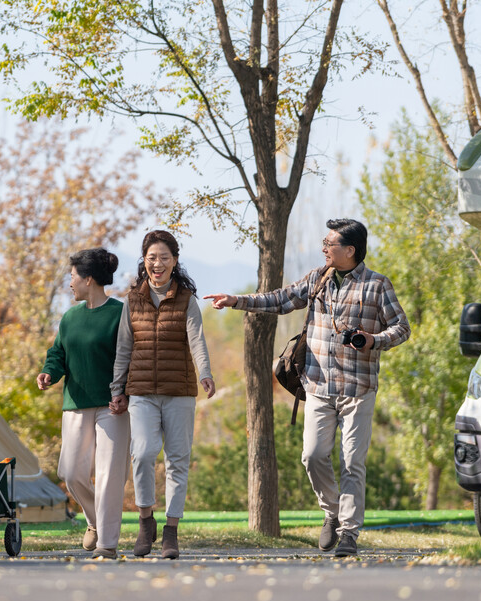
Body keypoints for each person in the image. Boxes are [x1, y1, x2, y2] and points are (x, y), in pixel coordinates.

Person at [204, 218, 410, 557]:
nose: (324, 248)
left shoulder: (377, 285)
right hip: (317, 385)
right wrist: (236, 300)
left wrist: (374, 340)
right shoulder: (318, 278)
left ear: (350, 250)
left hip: (358, 389)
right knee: (312, 455)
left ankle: (349, 535)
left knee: (352, 463)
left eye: (329, 243)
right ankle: (332, 512)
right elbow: (281, 299)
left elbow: (402, 328)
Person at [110, 229, 216, 559]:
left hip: (179, 391)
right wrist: (117, 388)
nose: (158, 264)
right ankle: (146, 522)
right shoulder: (133, 301)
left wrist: (205, 372)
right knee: (142, 453)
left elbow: (197, 340)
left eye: (164, 258)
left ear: (175, 262)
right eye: (152, 258)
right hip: (141, 391)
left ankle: (171, 531)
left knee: (177, 460)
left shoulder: (186, 300)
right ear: (144, 261)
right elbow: (124, 348)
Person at [37, 248, 130, 560]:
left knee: (109, 475)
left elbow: (133, 358)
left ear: (89, 279)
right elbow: (58, 353)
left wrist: (126, 393)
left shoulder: (120, 314)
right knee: (71, 472)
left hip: (113, 406)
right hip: (76, 403)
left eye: (73, 277)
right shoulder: (70, 317)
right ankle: (94, 520)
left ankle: (108, 543)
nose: (70, 284)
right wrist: (49, 372)